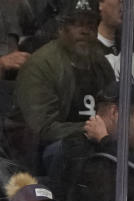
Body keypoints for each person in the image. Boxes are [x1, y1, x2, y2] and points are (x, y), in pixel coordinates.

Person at [12, 0, 114, 170]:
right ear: (61, 28)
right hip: (47, 154)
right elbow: (42, 129)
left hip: (93, 144)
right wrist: (92, 129)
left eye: (90, 24)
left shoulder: (100, 64)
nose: (84, 31)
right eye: (77, 24)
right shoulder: (42, 65)